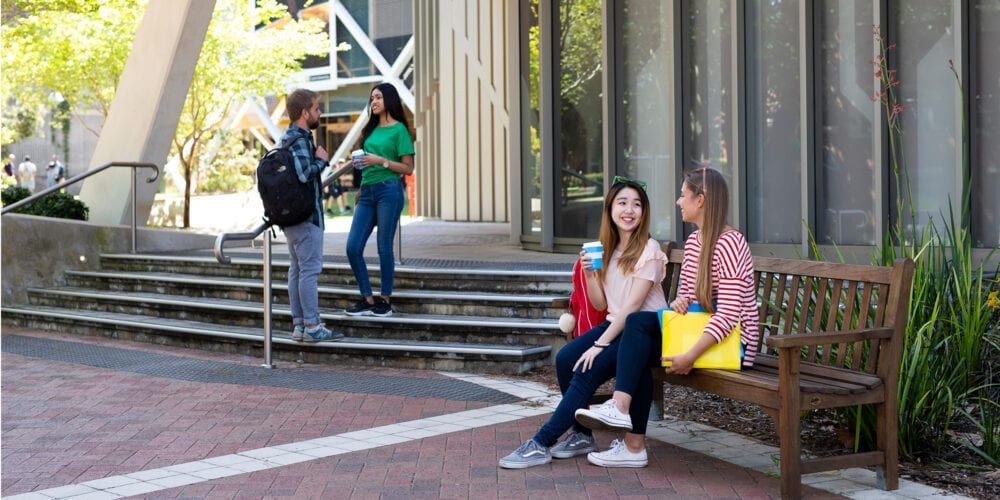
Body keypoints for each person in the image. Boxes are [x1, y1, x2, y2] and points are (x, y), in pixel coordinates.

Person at [574, 167, 760, 468]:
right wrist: (682, 300)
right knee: (637, 326)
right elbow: (685, 296)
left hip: (734, 345)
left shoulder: (731, 244)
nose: (678, 201)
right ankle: (628, 433)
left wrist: (689, 355)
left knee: (638, 338)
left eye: (683, 195)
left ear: (700, 201)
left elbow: (728, 314)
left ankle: (630, 436)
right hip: (700, 331)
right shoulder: (696, 241)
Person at [498, 177, 668, 469]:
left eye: (637, 204)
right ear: (610, 209)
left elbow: (632, 308)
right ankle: (582, 435)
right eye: (622, 203)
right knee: (566, 358)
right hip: (619, 327)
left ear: (644, 212)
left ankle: (541, 442)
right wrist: (591, 275)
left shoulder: (649, 249)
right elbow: (602, 304)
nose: (630, 210)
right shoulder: (609, 249)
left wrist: (599, 345)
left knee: (586, 368)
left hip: (647, 333)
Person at [344, 83, 415, 317]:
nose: (373, 102)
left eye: (378, 97)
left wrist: (380, 161)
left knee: (384, 246)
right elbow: (366, 163)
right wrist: (361, 187)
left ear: (389, 100)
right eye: (371, 98)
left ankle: (384, 299)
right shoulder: (371, 130)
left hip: (389, 190)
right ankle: (368, 299)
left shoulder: (400, 131)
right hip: (367, 192)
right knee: (353, 247)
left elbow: (407, 168)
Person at [280, 88, 343, 343]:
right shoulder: (302, 139)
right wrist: (322, 160)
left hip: (290, 217)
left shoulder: (285, 138)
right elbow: (305, 174)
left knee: (297, 270)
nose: (320, 112)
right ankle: (312, 325)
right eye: (317, 108)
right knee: (309, 271)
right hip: (307, 217)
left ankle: (300, 325)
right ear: (305, 113)